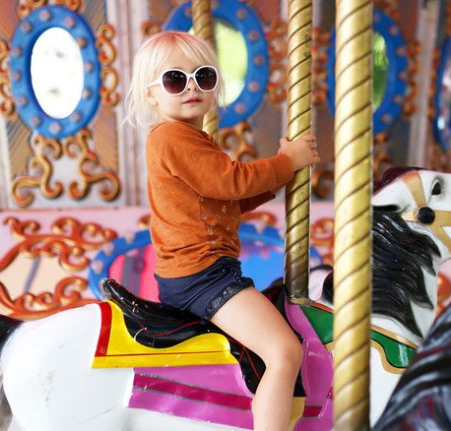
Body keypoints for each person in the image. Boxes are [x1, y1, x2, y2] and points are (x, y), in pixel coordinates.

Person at [125, 31, 320, 431]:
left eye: (205, 76)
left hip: (201, 272)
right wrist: (286, 161)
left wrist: (281, 177)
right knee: (284, 351)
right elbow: (231, 182)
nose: (192, 87)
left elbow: (227, 199)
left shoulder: (190, 139)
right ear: (151, 94)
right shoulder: (171, 137)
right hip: (201, 276)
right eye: (175, 79)